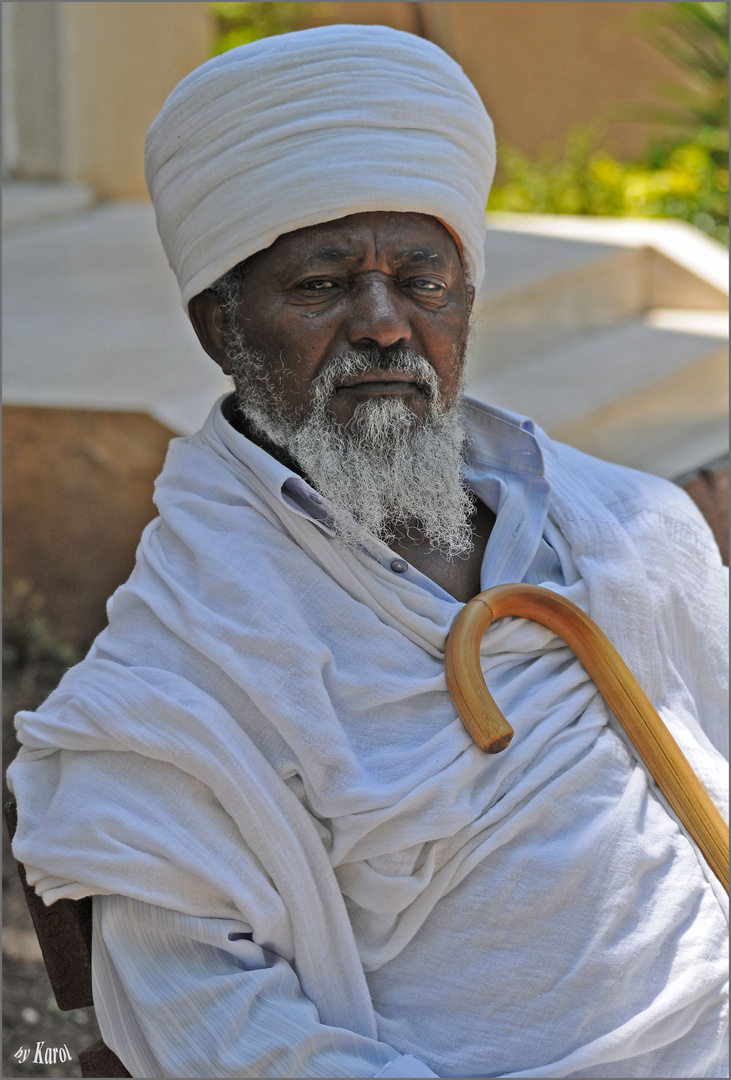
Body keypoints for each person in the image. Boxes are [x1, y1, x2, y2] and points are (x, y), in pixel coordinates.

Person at [8, 24, 728, 1080]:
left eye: (421, 280)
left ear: (463, 302)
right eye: (322, 285)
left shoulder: (626, 531)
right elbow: (220, 1029)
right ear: (221, 327)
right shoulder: (175, 686)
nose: (384, 325)